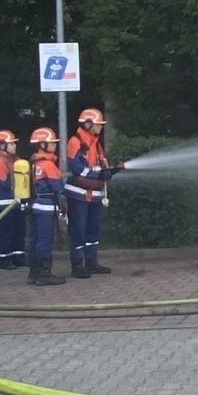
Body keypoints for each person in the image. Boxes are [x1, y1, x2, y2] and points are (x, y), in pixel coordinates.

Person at [65, 107, 123, 278]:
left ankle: (91, 262)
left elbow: (102, 166)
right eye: (98, 124)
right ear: (87, 124)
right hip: (78, 194)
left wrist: (112, 171)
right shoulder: (75, 142)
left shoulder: (96, 144)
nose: (100, 127)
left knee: (93, 229)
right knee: (78, 229)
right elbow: (75, 167)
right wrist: (97, 175)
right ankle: (77, 266)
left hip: (95, 194)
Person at [26, 126, 68, 287]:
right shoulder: (48, 165)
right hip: (46, 208)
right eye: (52, 143)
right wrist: (63, 202)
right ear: (42, 144)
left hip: (35, 206)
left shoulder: (34, 163)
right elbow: (57, 187)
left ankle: (33, 274)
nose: (55, 145)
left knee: (35, 240)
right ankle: (44, 275)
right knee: (45, 240)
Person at [0, 129, 29, 271]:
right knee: (6, 232)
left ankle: (18, 256)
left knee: (19, 230)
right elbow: (5, 183)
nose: (14, 146)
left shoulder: (15, 159)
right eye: (12, 143)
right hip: (5, 203)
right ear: (2, 145)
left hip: (17, 201)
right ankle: (4, 259)